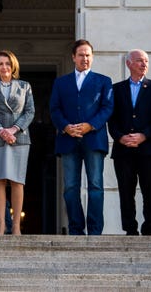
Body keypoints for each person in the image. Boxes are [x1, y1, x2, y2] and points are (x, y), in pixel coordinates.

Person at [50, 39, 114, 236]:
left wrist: (90, 125)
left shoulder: (103, 81)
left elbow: (107, 107)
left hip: (93, 139)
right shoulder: (61, 82)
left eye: (88, 55)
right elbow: (54, 109)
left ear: (92, 57)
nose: (84, 58)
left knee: (95, 186)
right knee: (70, 187)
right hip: (68, 140)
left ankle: (95, 230)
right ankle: (76, 229)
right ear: (73, 57)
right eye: (81, 55)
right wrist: (66, 127)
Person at [108, 49, 151, 236]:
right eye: (139, 60)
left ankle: (150, 228)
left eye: (146, 61)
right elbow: (111, 119)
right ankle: (130, 228)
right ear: (129, 64)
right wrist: (120, 137)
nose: (144, 64)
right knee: (126, 191)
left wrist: (144, 135)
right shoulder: (116, 89)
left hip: (148, 149)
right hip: (123, 150)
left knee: (150, 191)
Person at [0, 50, 35, 235]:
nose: (4, 67)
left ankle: (17, 226)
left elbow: (29, 111)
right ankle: (2, 225)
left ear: (13, 66)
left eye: (7, 64)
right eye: (1, 64)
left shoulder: (24, 86)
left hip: (19, 138)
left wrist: (13, 129)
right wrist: (1, 130)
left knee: (17, 181)